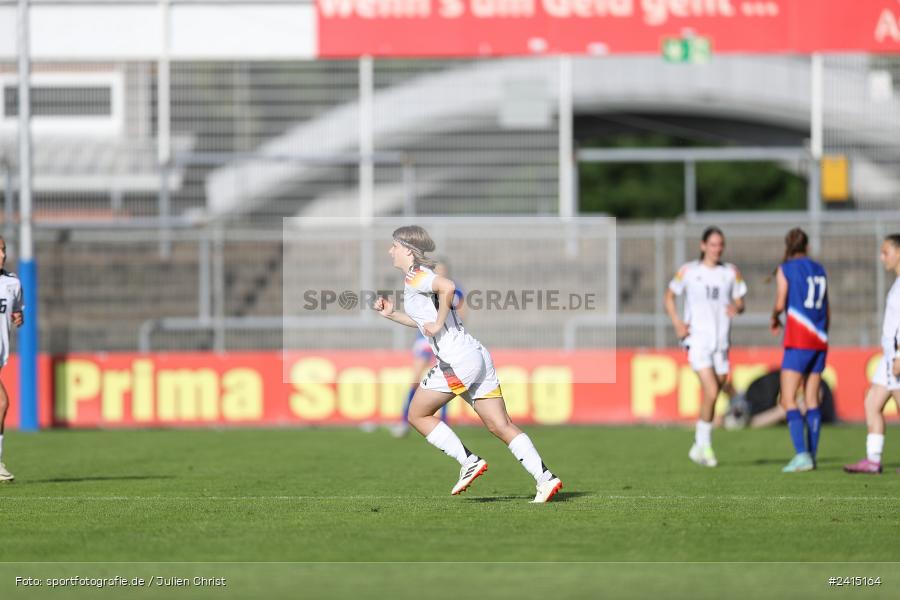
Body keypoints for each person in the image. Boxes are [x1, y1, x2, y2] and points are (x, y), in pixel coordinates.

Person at [374, 225, 563, 503]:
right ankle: (545, 479)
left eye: (394, 246)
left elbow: (448, 287)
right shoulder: (417, 279)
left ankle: (468, 461)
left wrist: (438, 322)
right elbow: (421, 320)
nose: (390, 251)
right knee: (500, 425)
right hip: (475, 353)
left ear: (408, 250)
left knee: (417, 415)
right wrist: (392, 315)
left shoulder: (417, 276)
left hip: (455, 359)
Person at [665, 226, 746, 467]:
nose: (717, 249)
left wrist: (737, 307)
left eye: (720, 244)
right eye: (712, 244)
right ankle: (706, 447)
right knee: (711, 390)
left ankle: (698, 446)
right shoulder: (689, 271)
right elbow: (669, 296)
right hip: (697, 340)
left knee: (717, 388)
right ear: (703, 246)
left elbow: (741, 299)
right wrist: (677, 322)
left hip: (720, 341)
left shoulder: (730, 272)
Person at [769, 228, 829, 472]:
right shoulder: (820, 269)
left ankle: (802, 455)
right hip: (820, 339)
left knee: (788, 398)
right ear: (807, 246)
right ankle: (812, 455)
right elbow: (828, 305)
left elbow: (781, 302)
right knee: (812, 398)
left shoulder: (786, 269)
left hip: (799, 339)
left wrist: (774, 316)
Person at [844, 233, 900, 474]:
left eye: (885, 252)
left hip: (897, 356)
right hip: (889, 357)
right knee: (872, 403)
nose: (881, 257)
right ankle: (873, 460)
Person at [392, 259, 463, 438]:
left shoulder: (453, 290)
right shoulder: (424, 286)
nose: (440, 273)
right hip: (424, 338)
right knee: (415, 378)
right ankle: (403, 421)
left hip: (445, 338)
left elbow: (463, 313)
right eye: (437, 270)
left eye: (443, 270)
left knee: (450, 380)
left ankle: (445, 422)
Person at [0, 236, 25, 483]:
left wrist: (18, 318)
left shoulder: (13, 283)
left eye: (3, 250)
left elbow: (16, 311)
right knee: (2, 402)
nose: (2, 255)